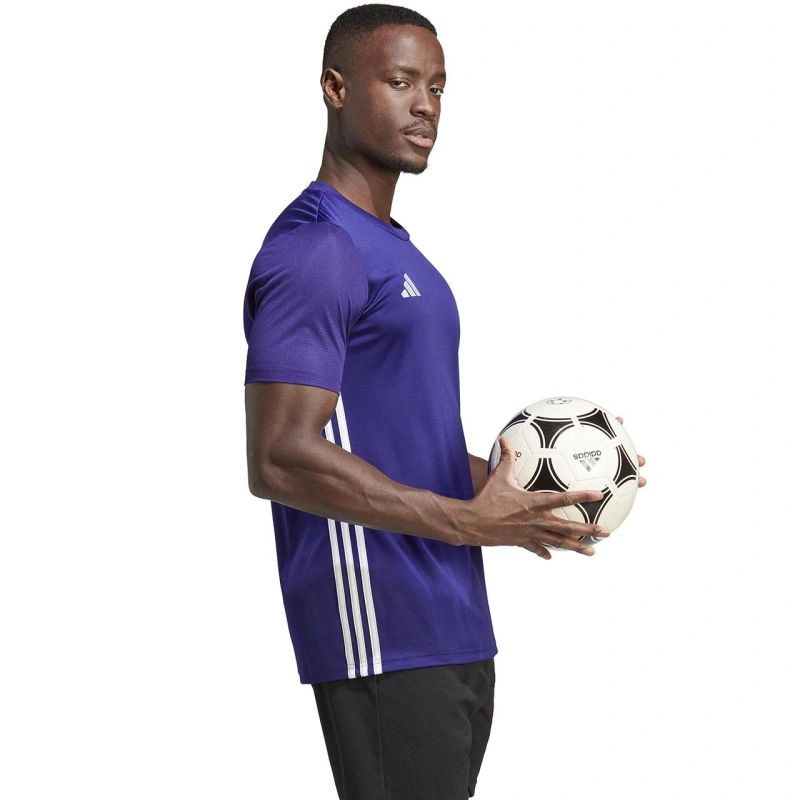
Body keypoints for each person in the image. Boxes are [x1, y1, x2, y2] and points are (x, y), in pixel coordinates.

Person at [242, 5, 646, 798]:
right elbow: (280, 456)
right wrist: (465, 522)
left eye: (437, 87)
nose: (425, 105)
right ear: (335, 88)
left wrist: (539, 489)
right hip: (382, 623)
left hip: (453, 617)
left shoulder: (395, 250)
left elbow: (406, 441)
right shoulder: (316, 247)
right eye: (400, 82)